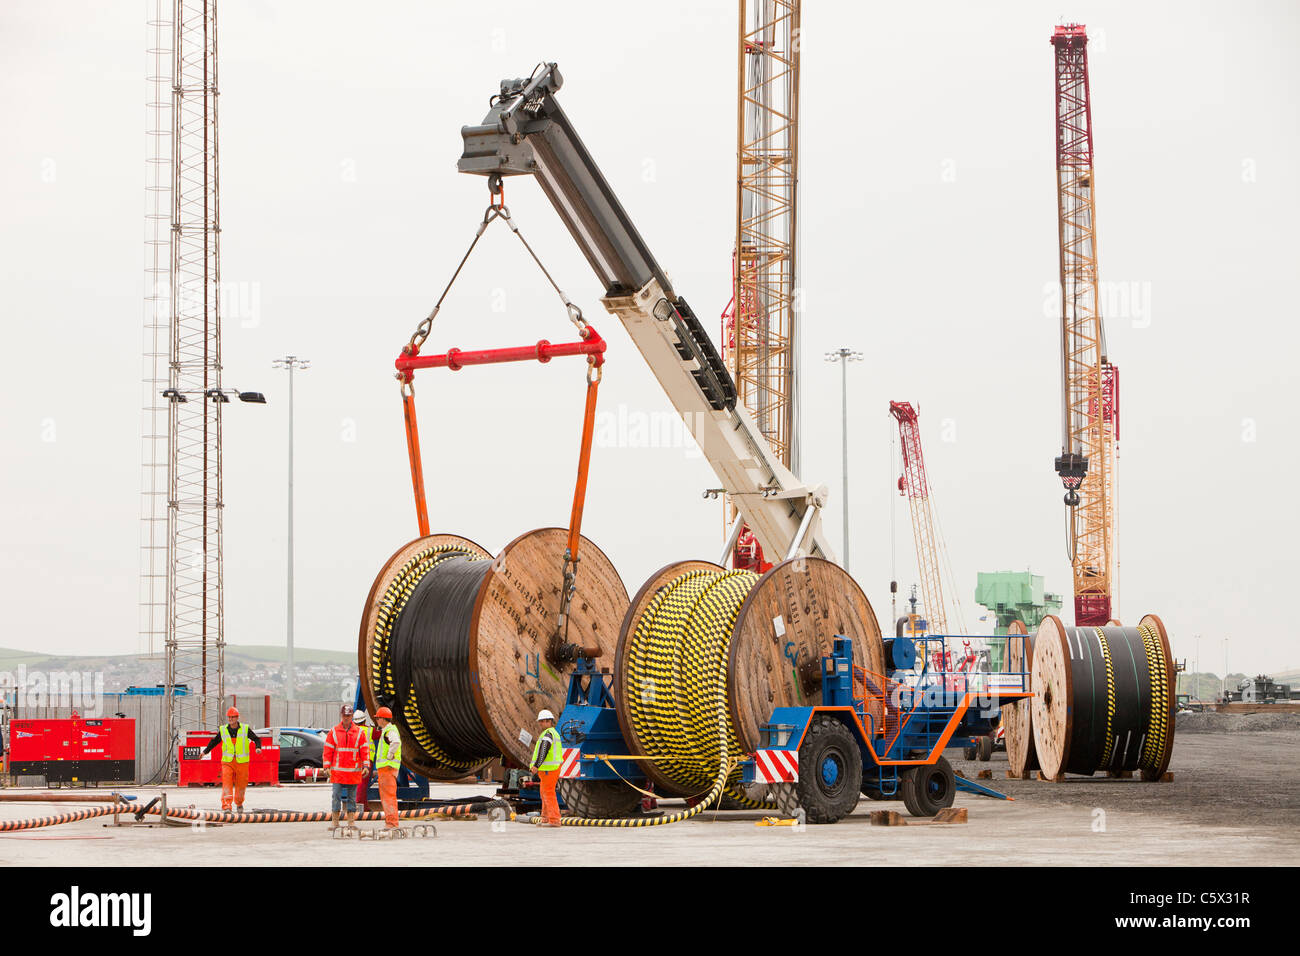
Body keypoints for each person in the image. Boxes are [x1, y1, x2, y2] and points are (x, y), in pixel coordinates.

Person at [200, 707, 263, 812]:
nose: (231, 719)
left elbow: (256, 739)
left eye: (233, 717)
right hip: (227, 761)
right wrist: (205, 752)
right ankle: (226, 806)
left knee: (241, 783)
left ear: (237, 718)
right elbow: (214, 741)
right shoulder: (223, 730)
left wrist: (258, 747)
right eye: (229, 717)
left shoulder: (245, 729)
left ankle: (239, 803)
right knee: (227, 782)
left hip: (242, 762)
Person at [322, 704, 369, 831]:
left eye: (348, 716)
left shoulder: (359, 732)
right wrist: (326, 766)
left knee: (352, 798)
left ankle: (351, 822)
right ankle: (335, 822)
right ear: (341, 715)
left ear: (352, 716)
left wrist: (366, 765)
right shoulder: (334, 731)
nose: (346, 718)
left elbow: (364, 750)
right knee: (336, 796)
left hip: (353, 772)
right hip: (337, 772)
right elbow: (328, 750)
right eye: (344, 716)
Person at [529, 709, 563, 827]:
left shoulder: (548, 734)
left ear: (547, 721)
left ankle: (554, 820)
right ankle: (545, 817)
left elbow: (544, 750)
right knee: (544, 792)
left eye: (541, 722)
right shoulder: (552, 733)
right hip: (549, 769)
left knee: (548, 793)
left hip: (550, 769)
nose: (540, 724)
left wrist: (536, 766)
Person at [371, 707, 402, 829]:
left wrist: (389, 755)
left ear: (383, 719)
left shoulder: (389, 730)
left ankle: (391, 823)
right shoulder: (387, 730)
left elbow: (396, 742)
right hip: (386, 769)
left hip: (387, 768)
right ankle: (390, 822)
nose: (377, 720)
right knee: (387, 796)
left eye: (378, 718)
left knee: (388, 797)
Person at [352, 710, 372, 811]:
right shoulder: (369, 730)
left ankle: (364, 806)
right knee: (362, 784)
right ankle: (359, 804)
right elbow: (379, 733)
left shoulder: (351, 731)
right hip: (366, 761)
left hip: (354, 760)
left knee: (360, 783)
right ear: (364, 721)